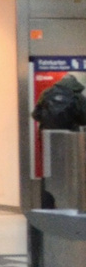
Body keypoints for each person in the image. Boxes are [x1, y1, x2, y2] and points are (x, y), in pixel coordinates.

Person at [33, 73, 86, 207]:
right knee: (70, 171)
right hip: (70, 141)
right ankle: (70, 205)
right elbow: (84, 117)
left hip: (48, 140)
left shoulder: (47, 93)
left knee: (49, 173)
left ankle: (47, 206)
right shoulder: (76, 96)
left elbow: (36, 114)